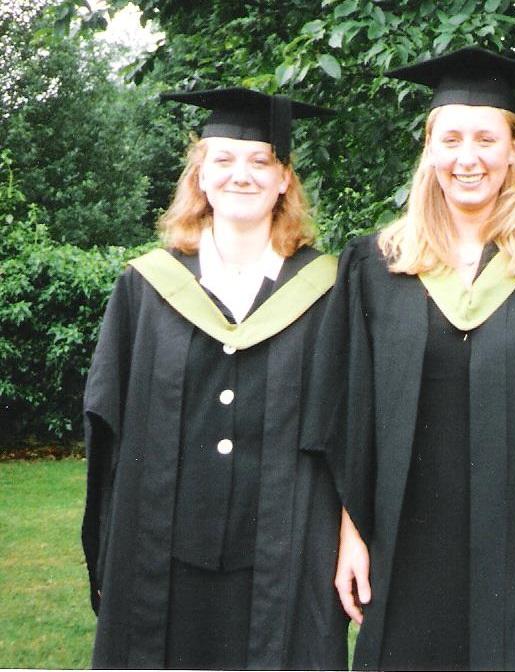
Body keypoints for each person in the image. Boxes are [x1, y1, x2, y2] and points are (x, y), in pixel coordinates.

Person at [311, 46, 515, 670]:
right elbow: (349, 408)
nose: (469, 158)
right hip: (402, 535)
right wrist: (350, 532)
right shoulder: (375, 263)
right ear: (430, 149)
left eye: (487, 139)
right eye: (452, 139)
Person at [81, 87, 346, 669]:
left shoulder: (327, 290)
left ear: (284, 180)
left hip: (285, 551)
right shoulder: (146, 287)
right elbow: (107, 420)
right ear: (200, 176)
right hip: (162, 550)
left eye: (260, 161)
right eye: (223, 159)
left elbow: (347, 425)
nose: (240, 175)